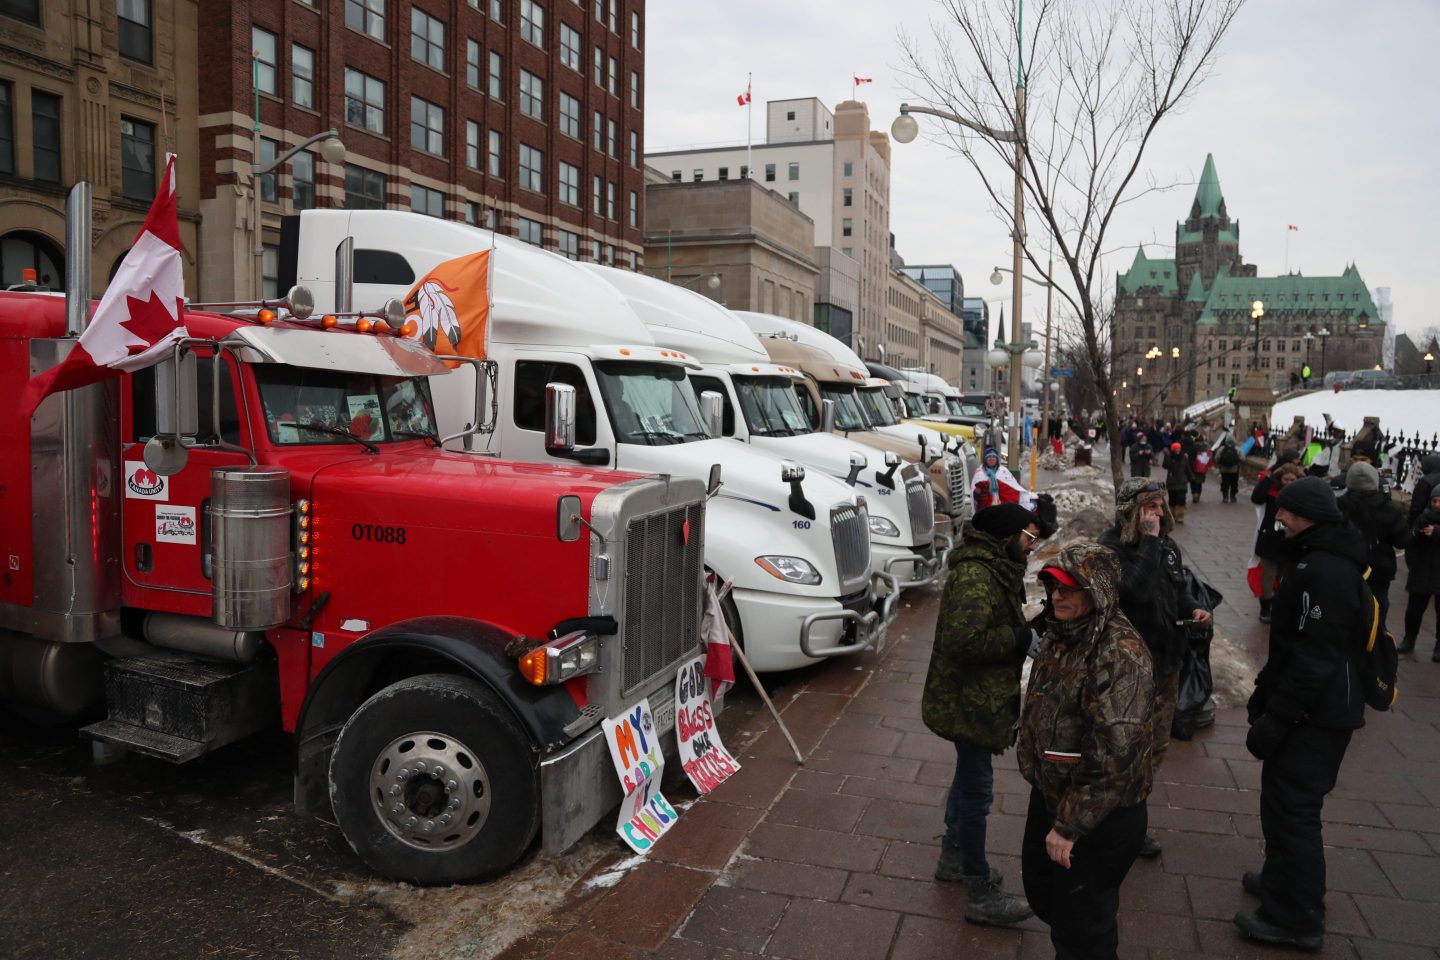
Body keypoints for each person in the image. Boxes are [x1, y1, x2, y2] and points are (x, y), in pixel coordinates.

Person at [1235, 477, 1366, 952]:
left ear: (1306, 515)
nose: (1278, 519)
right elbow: (1293, 648)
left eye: (1285, 512)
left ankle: (1296, 918)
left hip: (1319, 712)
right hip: (1313, 705)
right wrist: (1265, 697)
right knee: (1281, 802)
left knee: (1294, 811)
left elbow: (1315, 657)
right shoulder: (1314, 557)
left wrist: (1279, 717)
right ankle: (1283, 881)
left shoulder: (1327, 571)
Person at [1018, 542, 1155, 960]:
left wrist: (1069, 825)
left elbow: (1115, 755)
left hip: (1097, 814)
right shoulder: (1065, 631)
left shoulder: (1120, 654)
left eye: (1070, 589)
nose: (1057, 596)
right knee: (1047, 896)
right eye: (1053, 586)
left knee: (1083, 929)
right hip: (1053, 793)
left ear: (1098, 592)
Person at [922, 503, 1040, 926]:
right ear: (1006, 536)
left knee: (968, 777)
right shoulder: (976, 575)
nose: (1030, 546)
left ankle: (953, 858)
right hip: (968, 701)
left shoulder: (994, 567)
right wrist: (1020, 635)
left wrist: (1024, 630)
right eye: (1028, 538)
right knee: (977, 792)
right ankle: (978, 887)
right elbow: (963, 642)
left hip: (977, 698)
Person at [1099, 479, 1210, 859]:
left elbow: (1176, 591)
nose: (1159, 515)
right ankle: (1106, 818)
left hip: (1165, 665)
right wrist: (1148, 541)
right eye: (1151, 509)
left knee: (1154, 749)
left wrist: (1192, 608)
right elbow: (1135, 591)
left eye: (1160, 508)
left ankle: (1132, 822)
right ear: (1132, 511)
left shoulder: (1167, 547)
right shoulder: (1110, 549)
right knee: (1122, 746)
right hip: (1127, 670)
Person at [1338, 463, 1411, 644]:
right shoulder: (1390, 509)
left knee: (1345, 606)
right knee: (1377, 607)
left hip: (1346, 566)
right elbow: (1403, 540)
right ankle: (1376, 643)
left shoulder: (1338, 505)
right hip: (1379, 568)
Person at [1250, 463, 1305, 623]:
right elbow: (1256, 497)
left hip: (1289, 542)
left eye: (1292, 479)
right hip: (1269, 540)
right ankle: (1265, 608)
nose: (1288, 482)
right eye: (1286, 479)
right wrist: (1268, 479)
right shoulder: (1271, 491)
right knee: (1268, 577)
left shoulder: (1300, 494)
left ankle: (1279, 605)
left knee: (1284, 578)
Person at [1402, 491, 1440, 660]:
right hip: (1421, 570)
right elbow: (1409, 541)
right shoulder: (1422, 517)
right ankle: (1409, 638)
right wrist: (1418, 532)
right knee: (1414, 611)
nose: (1437, 505)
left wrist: (1437, 532)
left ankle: (1439, 645)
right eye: (1435, 501)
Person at [971, 446, 1031, 510]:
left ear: (997, 459)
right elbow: (974, 493)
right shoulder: (979, 472)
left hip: (1001, 505)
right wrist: (978, 491)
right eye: (989, 457)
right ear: (985, 459)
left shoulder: (1003, 471)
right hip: (985, 507)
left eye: (994, 457)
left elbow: (1013, 487)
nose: (992, 459)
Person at [1163, 441, 1192, 524]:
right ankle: (1172, 515)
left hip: (1182, 482)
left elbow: (1187, 469)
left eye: (1179, 448)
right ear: (1173, 449)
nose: (1178, 450)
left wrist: (1191, 477)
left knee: (1181, 499)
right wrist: (1167, 456)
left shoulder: (1184, 458)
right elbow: (1165, 466)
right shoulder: (1170, 457)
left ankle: (1180, 516)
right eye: (1176, 449)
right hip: (1172, 482)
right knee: (1172, 500)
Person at [1216, 438, 1242, 503]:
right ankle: (1233, 497)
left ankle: (1225, 497)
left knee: (1225, 483)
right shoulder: (1237, 449)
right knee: (1234, 483)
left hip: (1224, 469)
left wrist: (1219, 463)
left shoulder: (1222, 449)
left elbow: (1216, 458)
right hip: (1234, 470)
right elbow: (1243, 458)